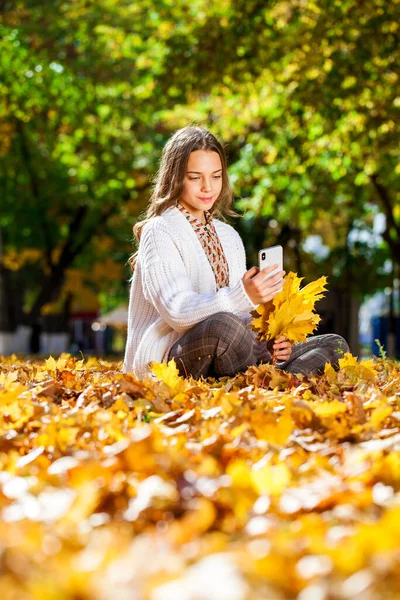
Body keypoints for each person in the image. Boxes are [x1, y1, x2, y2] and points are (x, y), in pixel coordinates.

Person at [123, 126, 349, 382]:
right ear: (176, 178)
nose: (208, 187)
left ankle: (272, 384)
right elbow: (177, 312)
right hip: (169, 361)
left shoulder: (229, 236)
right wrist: (244, 295)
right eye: (195, 177)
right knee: (225, 326)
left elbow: (243, 325)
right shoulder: (160, 230)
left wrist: (270, 343)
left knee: (335, 345)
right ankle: (268, 383)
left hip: (230, 354)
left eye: (216, 176)